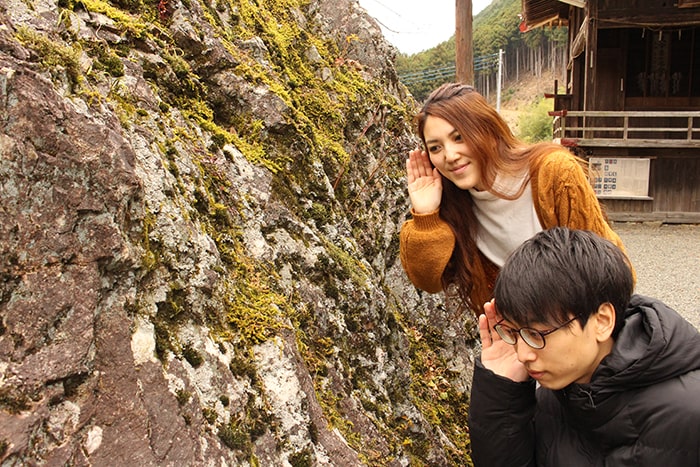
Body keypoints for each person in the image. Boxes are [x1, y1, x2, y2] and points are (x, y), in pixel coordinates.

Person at [469, 227, 700, 466]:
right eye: (513, 333)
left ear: (602, 322)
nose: (523, 354)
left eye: (536, 334)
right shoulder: (555, 395)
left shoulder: (690, 415)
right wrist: (501, 395)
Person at [399, 83, 633, 315]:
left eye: (459, 137)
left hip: (584, 328)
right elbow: (429, 282)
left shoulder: (553, 173)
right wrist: (426, 216)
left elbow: (604, 269)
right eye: (436, 148)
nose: (449, 155)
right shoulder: (456, 205)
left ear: (488, 131)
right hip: (518, 341)